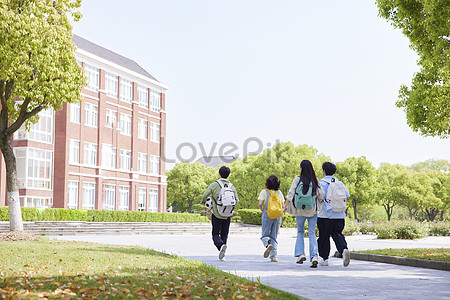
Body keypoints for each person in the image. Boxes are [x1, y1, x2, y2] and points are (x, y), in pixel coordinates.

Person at [284, 160, 324, 268]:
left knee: (300, 232)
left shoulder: (297, 180)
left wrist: (285, 206)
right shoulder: (315, 180)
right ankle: (314, 256)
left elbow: (290, 194)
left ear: (302, 168)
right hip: (312, 211)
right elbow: (322, 195)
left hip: (299, 210)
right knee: (312, 233)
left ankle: (301, 254)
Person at [317, 162, 351, 267]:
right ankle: (343, 249)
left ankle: (324, 258)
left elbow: (319, 196)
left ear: (324, 171)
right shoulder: (339, 183)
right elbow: (347, 195)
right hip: (339, 215)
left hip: (325, 215)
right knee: (337, 234)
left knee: (324, 236)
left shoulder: (321, 183)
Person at [202, 166, 239, 261]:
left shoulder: (214, 185)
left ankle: (221, 245)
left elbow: (204, 195)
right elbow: (237, 200)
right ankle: (223, 254)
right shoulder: (232, 186)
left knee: (215, 234)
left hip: (217, 214)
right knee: (224, 234)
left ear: (219, 174)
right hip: (228, 215)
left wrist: (205, 202)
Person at [258, 175, 285, 262]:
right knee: (274, 236)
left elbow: (260, 203)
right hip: (277, 216)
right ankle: (274, 257)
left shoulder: (264, 192)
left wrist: (262, 210)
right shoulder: (279, 193)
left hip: (267, 215)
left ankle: (268, 244)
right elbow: (283, 206)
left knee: (265, 235)